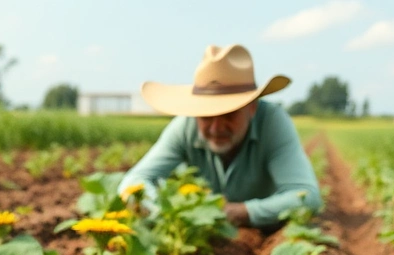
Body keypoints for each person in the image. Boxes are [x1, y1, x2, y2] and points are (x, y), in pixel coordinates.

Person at [118, 44, 321, 228]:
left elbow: (306, 196)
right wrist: (164, 214)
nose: (216, 127)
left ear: (252, 107)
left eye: (228, 114)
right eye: (206, 116)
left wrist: (239, 212)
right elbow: (135, 179)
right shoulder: (185, 126)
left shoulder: (272, 122)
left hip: (266, 228)